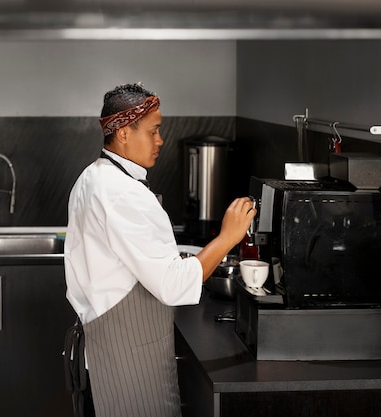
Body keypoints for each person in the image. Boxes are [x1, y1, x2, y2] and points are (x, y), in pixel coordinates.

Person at [63, 83, 255, 417]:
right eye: (153, 131)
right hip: (128, 362)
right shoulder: (123, 193)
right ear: (124, 133)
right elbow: (173, 285)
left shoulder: (92, 177)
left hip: (103, 349)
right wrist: (227, 237)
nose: (160, 140)